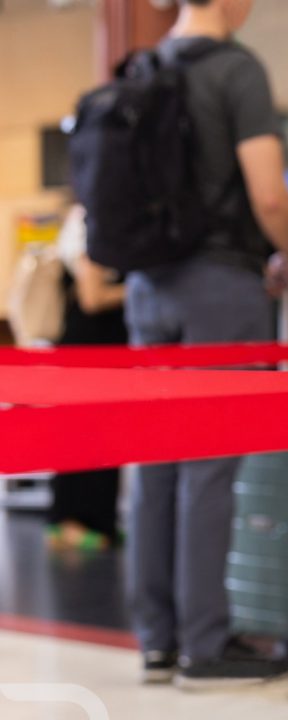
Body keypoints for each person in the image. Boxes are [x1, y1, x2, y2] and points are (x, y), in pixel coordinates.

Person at [125, 0, 288, 688]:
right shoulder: (236, 69)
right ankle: (205, 645)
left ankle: (157, 641)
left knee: (155, 462)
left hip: (149, 285)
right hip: (219, 284)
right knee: (208, 464)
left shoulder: (143, 66)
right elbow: (268, 197)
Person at [46, 204, 127, 552]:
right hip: (84, 350)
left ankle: (100, 521)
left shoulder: (119, 219)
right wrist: (142, 289)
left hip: (110, 352)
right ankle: (66, 523)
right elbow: (92, 297)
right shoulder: (87, 219)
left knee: (107, 439)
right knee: (77, 437)